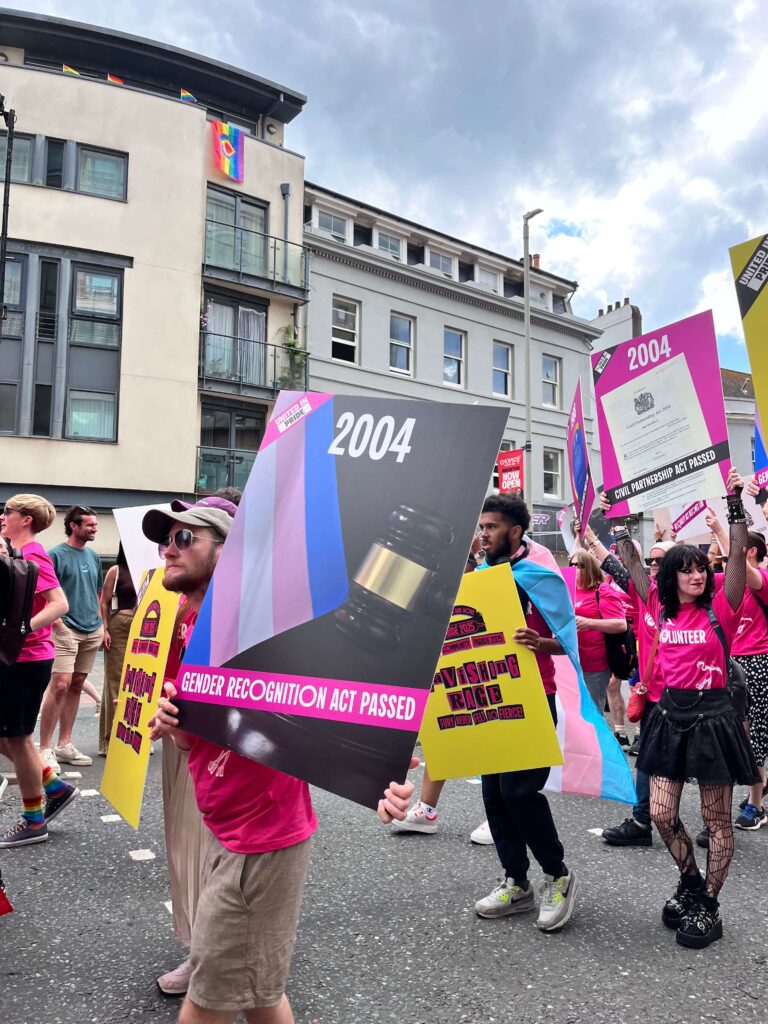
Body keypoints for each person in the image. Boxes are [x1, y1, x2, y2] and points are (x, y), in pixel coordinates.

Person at [144, 502, 415, 1022]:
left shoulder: (263, 627)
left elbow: (342, 696)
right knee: (260, 993)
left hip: (260, 838)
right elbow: (193, 742)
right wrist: (174, 724)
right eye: (165, 540)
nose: (168, 551)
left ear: (227, 551)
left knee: (209, 1000)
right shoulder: (190, 623)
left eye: (184, 538)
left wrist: (381, 774)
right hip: (224, 824)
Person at [613, 468, 758, 948]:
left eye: (701, 568)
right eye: (688, 570)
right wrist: (617, 519)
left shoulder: (723, 606)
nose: (698, 575)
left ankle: (709, 906)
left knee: (716, 820)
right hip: (669, 716)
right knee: (660, 813)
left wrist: (735, 505)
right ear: (670, 577)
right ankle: (691, 881)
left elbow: (736, 556)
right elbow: (631, 560)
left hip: (714, 718)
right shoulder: (658, 604)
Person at [472, 494, 578, 932]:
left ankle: (558, 875)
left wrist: (541, 643)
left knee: (519, 792)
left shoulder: (540, 575)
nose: (484, 535)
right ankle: (516, 881)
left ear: (515, 531)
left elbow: (568, 640)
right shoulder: (479, 577)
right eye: (481, 527)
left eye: (491, 527)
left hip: (534, 695)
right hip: (491, 695)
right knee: (494, 794)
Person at [581, 517, 675, 846]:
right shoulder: (648, 594)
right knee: (647, 759)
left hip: (689, 700)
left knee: (696, 764)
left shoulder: (697, 604)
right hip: (653, 696)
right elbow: (619, 566)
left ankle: (715, 822)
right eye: (650, 560)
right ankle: (642, 820)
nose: (652, 566)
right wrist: (595, 534)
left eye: (660, 561)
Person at [0, 495, 79, 848]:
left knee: (17, 739)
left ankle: (34, 821)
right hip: (15, 658)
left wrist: (20, 630)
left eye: (8, 511)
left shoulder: (33, 553)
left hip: (26, 659)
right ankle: (54, 786)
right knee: (9, 737)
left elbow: (60, 604)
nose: (3, 516)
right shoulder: (13, 551)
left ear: (26, 519)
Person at [705, 505, 768, 831]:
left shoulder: (762, 580)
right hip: (729, 661)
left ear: (751, 551)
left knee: (753, 734)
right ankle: (749, 791)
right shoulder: (727, 582)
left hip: (758, 662)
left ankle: (756, 804)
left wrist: (721, 530)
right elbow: (698, 578)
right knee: (731, 733)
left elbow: (741, 565)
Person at [39, 505, 104, 771]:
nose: (95, 528)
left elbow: (98, 591)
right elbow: (43, 593)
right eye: (90, 524)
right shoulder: (54, 555)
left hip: (92, 628)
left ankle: (64, 744)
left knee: (76, 684)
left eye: (95, 524)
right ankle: (44, 748)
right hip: (66, 628)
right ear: (74, 526)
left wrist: (101, 623)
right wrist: (58, 623)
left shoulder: (93, 555)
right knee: (60, 685)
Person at [567, 549, 628, 721]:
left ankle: (600, 739)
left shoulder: (602, 591)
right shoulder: (568, 589)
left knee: (592, 713)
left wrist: (589, 622)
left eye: (579, 565)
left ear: (589, 568)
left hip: (594, 664)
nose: (573, 568)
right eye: (571, 565)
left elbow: (621, 624)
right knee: (573, 713)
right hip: (571, 661)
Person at [97, 545, 137, 756]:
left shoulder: (151, 568)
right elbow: (104, 602)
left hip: (146, 627)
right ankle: (112, 738)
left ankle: (135, 735)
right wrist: (105, 629)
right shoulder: (116, 570)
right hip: (120, 625)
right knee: (115, 679)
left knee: (139, 681)